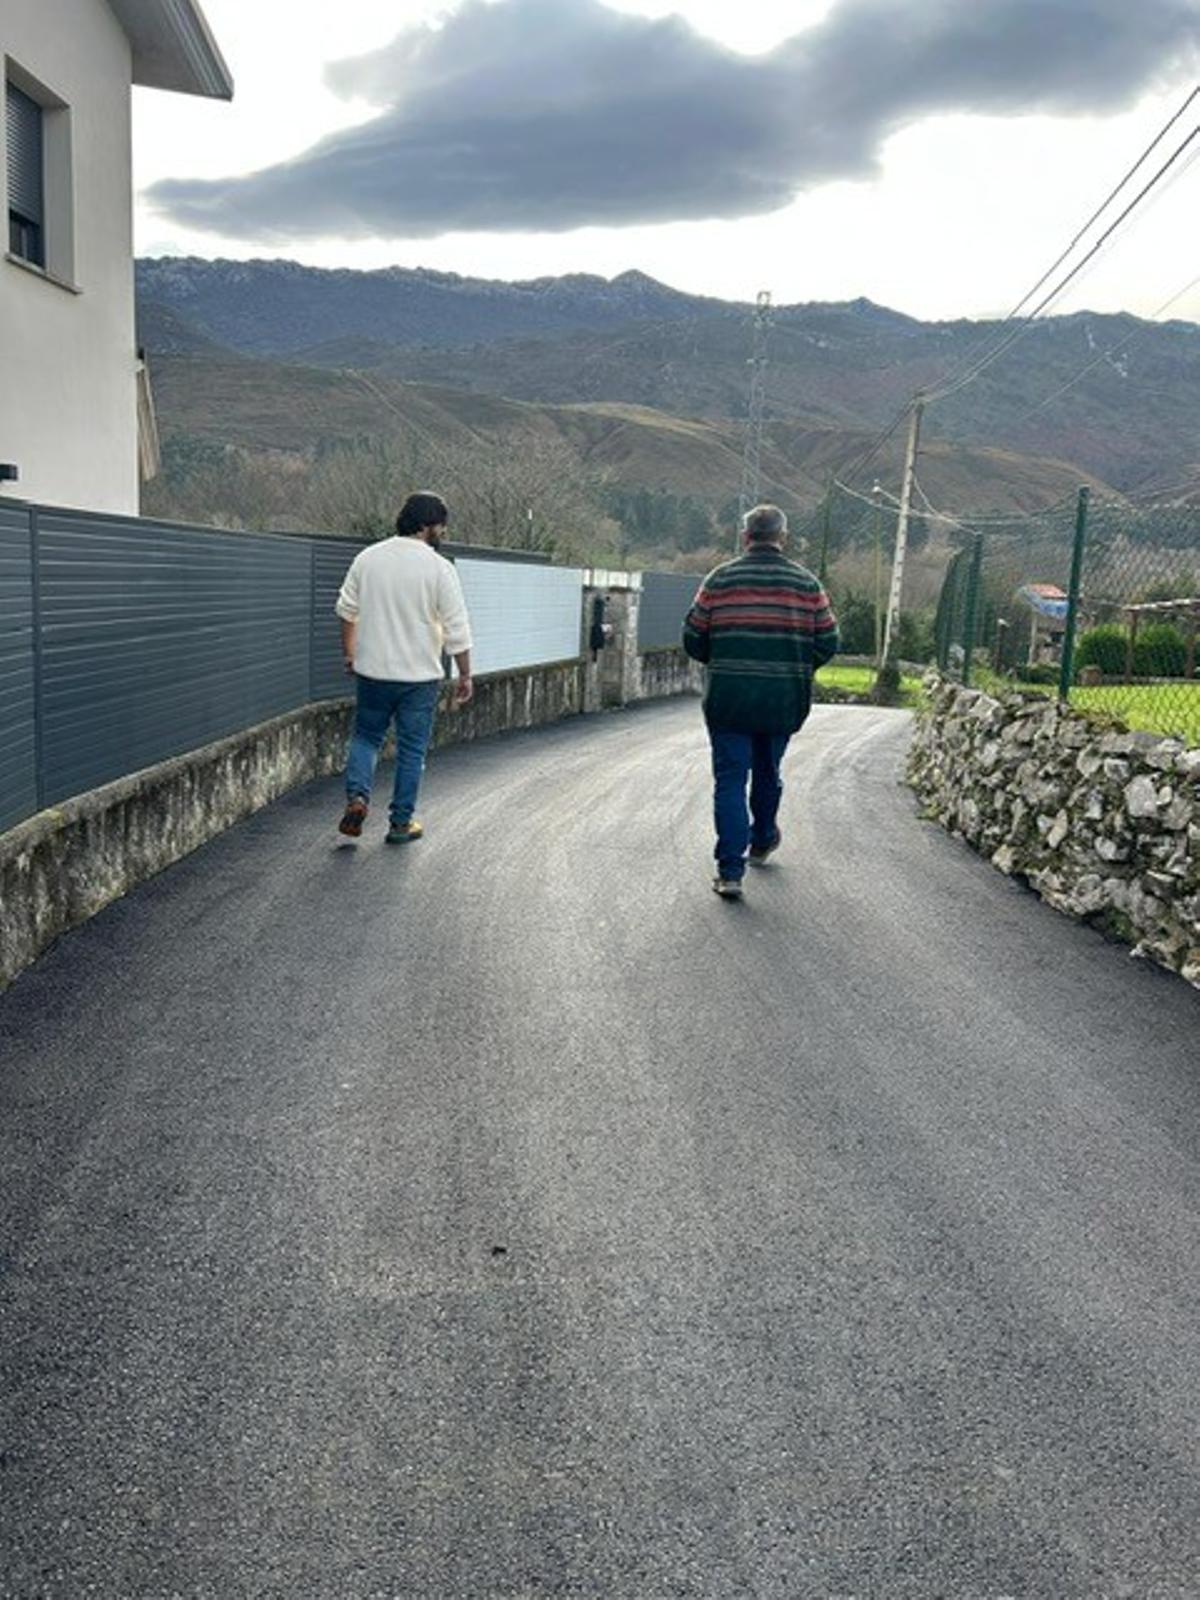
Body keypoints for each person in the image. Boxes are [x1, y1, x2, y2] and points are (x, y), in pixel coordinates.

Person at [682, 503, 839, 898]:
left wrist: (722, 660)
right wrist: (795, 666)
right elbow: (828, 641)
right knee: (769, 771)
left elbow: (693, 637)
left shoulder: (718, 580)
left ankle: (730, 871)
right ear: (782, 538)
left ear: (745, 536)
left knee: (731, 780)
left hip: (729, 701)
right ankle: (764, 838)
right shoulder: (807, 585)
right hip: (782, 700)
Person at [335, 491, 473, 844]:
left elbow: (347, 610)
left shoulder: (368, 558)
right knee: (412, 750)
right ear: (429, 526)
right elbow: (456, 627)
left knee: (366, 737)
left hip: (373, 672)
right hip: (419, 678)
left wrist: (350, 653)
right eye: (442, 527)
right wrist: (465, 674)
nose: (443, 533)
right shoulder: (440, 568)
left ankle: (357, 798)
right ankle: (400, 824)